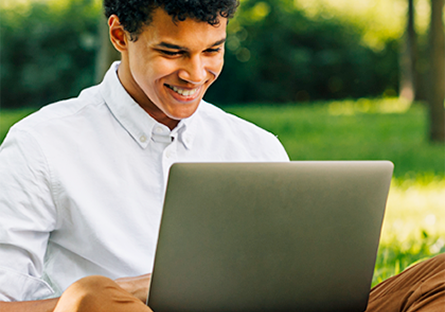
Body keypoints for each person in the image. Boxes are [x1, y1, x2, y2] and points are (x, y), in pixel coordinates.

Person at [1, 1, 445, 312]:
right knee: (90, 299)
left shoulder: (255, 146)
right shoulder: (42, 145)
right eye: (172, 52)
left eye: (212, 50)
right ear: (120, 34)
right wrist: (133, 292)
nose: (196, 74)